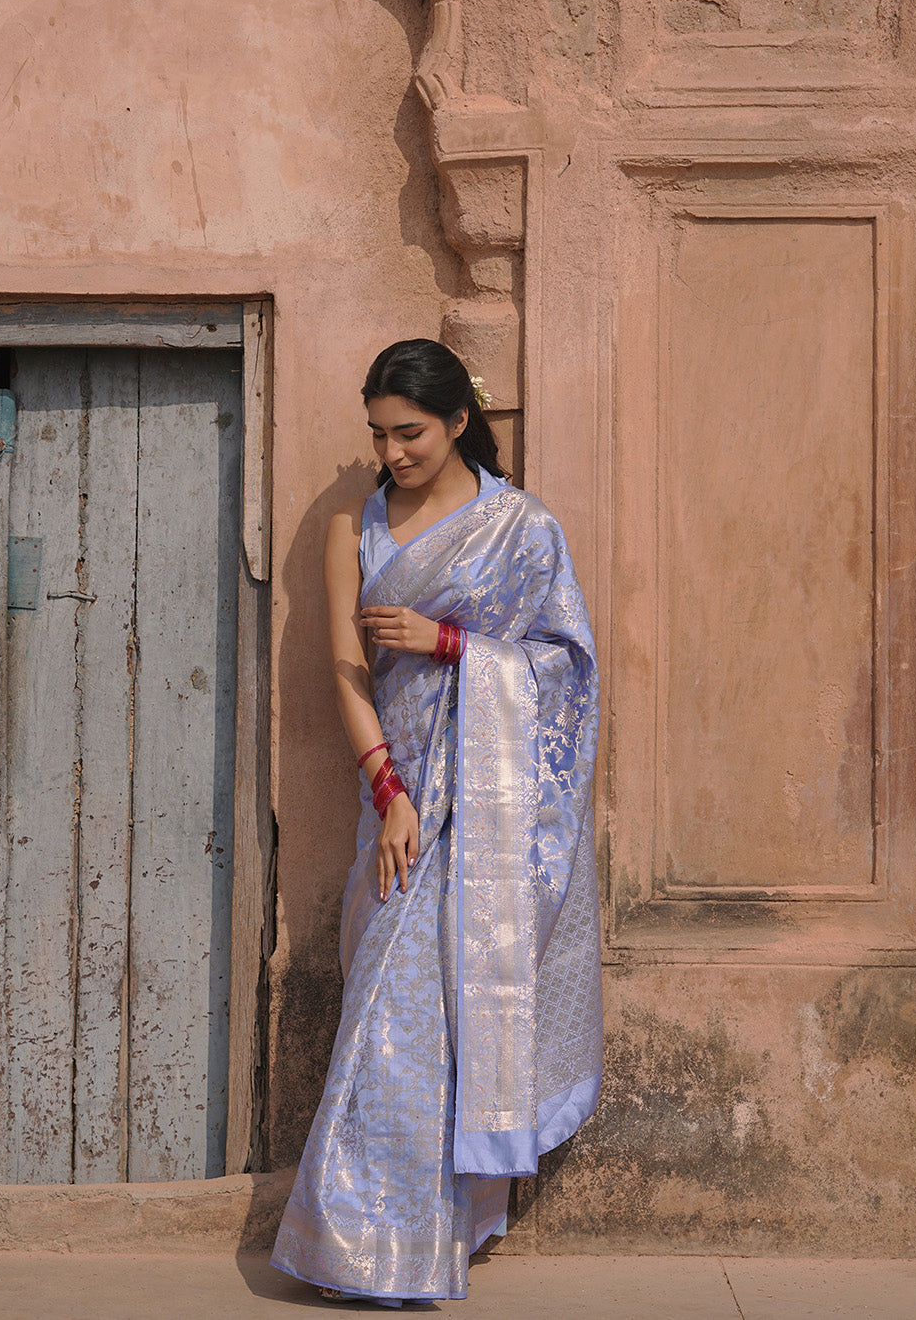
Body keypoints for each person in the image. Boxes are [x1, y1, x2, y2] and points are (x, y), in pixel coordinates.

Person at [270, 339, 602, 1306]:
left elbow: (567, 669)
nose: (393, 451)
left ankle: (416, 1243)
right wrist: (389, 793)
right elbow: (347, 670)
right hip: (404, 806)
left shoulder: (523, 529)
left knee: (452, 1019)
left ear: (459, 421)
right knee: (387, 1010)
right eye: (377, 433)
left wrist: (451, 641)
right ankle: (364, 1245)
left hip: (493, 820)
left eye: (409, 432)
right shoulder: (354, 526)